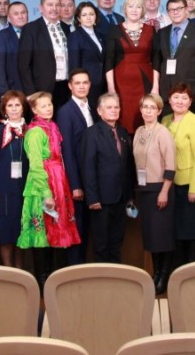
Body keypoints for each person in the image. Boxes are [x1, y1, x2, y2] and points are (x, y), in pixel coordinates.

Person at [19, 91, 80, 290]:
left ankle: (56, 278)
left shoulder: (53, 126)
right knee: (42, 232)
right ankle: (43, 279)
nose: (48, 108)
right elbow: (36, 165)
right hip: (43, 183)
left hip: (59, 180)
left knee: (56, 229)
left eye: (50, 104)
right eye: (43, 106)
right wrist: (46, 193)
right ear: (34, 110)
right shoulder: (35, 132)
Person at [81, 93, 135, 263]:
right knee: (101, 244)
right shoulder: (91, 134)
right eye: (109, 107)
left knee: (117, 242)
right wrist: (93, 198)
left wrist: (130, 197)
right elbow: (87, 168)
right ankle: (103, 278)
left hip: (121, 199)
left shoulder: (123, 132)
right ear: (99, 111)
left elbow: (128, 166)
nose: (114, 110)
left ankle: (115, 276)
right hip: (101, 200)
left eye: (116, 107)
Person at [134, 94, 177, 294]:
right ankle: (156, 273)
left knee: (163, 236)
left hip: (160, 189)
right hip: (145, 190)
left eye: (153, 108)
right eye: (145, 107)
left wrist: (164, 191)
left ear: (159, 111)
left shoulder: (163, 133)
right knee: (151, 236)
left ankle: (164, 276)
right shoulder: (139, 132)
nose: (148, 111)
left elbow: (171, 165)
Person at [162, 83, 195, 267]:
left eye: (184, 98)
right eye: (176, 97)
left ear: (190, 102)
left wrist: (194, 188)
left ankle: (191, 271)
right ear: (169, 100)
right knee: (175, 231)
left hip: (189, 185)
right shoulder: (165, 120)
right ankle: (177, 272)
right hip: (170, 185)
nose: (180, 101)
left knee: (191, 230)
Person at [0, 90, 29, 268]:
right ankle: (9, 272)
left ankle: (21, 273)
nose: (14, 108)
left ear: (23, 108)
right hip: (3, 189)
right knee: (5, 234)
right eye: (10, 105)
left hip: (24, 188)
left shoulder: (30, 130)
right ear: (4, 109)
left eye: (17, 105)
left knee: (21, 232)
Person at [56, 69, 96, 265]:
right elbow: (67, 151)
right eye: (77, 83)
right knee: (76, 228)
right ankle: (74, 272)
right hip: (77, 180)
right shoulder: (65, 112)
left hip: (92, 179)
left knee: (88, 229)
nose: (81, 86)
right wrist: (75, 185)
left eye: (85, 82)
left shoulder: (93, 108)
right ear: (70, 86)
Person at [104, 0, 156, 134]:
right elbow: (109, 60)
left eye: (138, 7)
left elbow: (156, 59)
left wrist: (156, 87)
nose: (134, 10)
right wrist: (111, 88)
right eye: (131, 6)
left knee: (144, 115)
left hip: (145, 82)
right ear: (125, 9)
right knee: (124, 119)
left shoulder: (151, 30)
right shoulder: (114, 30)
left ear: (142, 10)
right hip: (121, 84)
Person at [152, 0, 195, 102]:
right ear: (168, 12)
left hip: (191, 91)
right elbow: (157, 62)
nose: (175, 12)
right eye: (171, 10)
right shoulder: (162, 33)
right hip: (166, 91)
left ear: (186, 10)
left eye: (179, 8)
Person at [18, 0, 72, 107]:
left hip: (65, 86)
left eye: (57, 5)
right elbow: (23, 64)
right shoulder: (31, 29)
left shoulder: (66, 28)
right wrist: (30, 92)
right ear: (41, 8)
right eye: (50, 5)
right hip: (41, 89)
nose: (54, 8)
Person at [67, 1, 105, 106]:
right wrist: (79, 85)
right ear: (79, 19)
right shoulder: (75, 36)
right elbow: (74, 65)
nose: (88, 17)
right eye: (84, 15)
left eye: (91, 14)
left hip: (103, 83)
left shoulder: (100, 35)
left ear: (96, 16)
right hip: (86, 84)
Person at [0, 1, 27, 98]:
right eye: (16, 14)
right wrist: (4, 93)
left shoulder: (34, 34)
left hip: (33, 91)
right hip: (11, 90)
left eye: (23, 13)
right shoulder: (1, 37)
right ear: (9, 17)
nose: (20, 16)